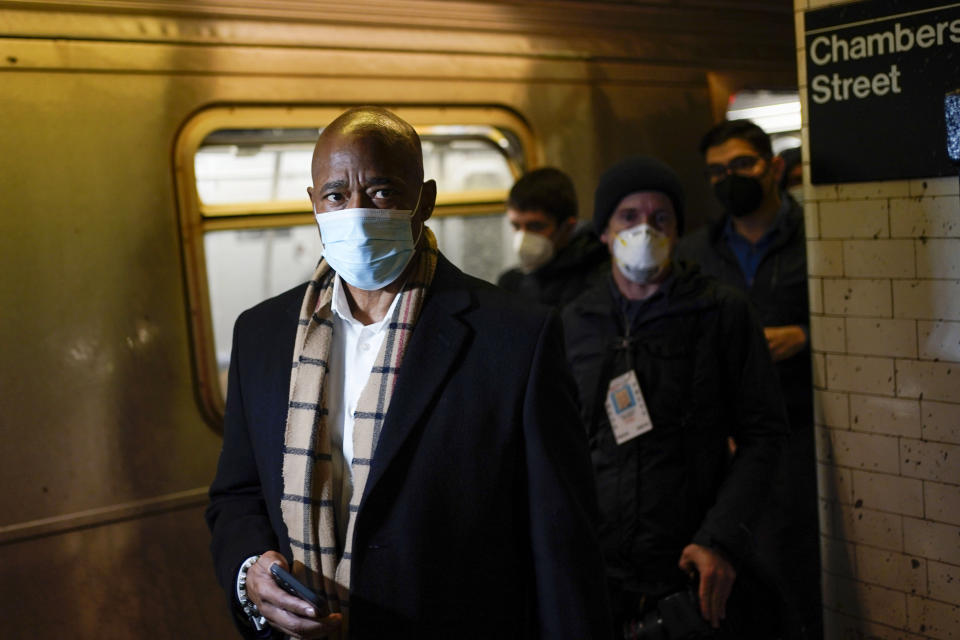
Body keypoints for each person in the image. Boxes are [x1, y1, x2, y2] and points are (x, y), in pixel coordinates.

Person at [206, 107, 612, 640]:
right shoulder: (262, 336)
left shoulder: (514, 338)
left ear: (425, 201)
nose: (355, 212)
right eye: (336, 195)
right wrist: (249, 575)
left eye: (380, 192)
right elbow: (237, 495)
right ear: (313, 205)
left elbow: (561, 541)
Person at [562, 155, 789, 639]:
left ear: (677, 230)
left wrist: (722, 539)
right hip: (600, 567)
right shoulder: (574, 323)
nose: (645, 230)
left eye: (659, 218)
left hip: (691, 562)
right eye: (629, 217)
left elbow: (764, 434)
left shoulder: (721, 312)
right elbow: (560, 446)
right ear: (604, 231)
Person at [676, 120, 820, 639]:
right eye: (717, 171)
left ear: (774, 167)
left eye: (742, 165)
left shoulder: (820, 239)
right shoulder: (696, 254)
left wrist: (806, 336)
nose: (729, 178)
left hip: (805, 433)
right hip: (725, 445)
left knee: (798, 567)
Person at [497, 167, 608, 307]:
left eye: (536, 227)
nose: (523, 237)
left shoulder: (599, 280)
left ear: (567, 227)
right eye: (516, 226)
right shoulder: (510, 283)